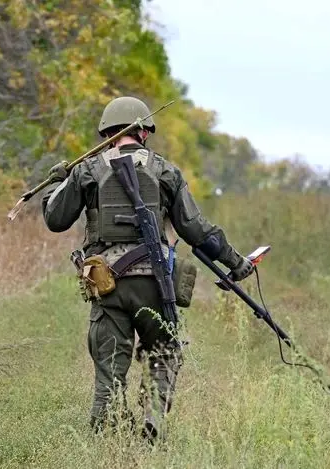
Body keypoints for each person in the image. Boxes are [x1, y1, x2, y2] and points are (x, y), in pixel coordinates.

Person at [41, 96, 254, 443]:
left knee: (109, 372)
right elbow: (196, 229)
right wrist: (236, 262)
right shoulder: (165, 171)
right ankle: (153, 416)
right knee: (163, 353)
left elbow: (55, 219)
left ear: (108, 134)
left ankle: (104, 442)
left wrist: (55, 183)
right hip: (155, 284)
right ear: (143, 131)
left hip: (106, 284)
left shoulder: (87, 170)